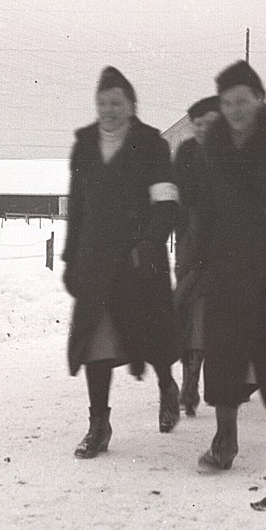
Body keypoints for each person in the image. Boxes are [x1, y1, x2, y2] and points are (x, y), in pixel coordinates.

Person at [189, 61, 266, 469]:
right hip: (226, 260)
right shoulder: (213, 144)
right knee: (222, 349)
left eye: (242, 101)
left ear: (259, 99)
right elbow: (204, 207)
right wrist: (195, 257)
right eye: (227, 103)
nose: (235, 110)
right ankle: (225, 439)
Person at [63, 67, 182, 459]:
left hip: (137, 261)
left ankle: (167, 386)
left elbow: (166, 202)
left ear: (132, 105)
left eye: (117, 102)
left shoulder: (151, 145)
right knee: (96, 344)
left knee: (153, 340)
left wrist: (149, 243)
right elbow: (77, 207)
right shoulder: (84, 145)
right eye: (102, 103)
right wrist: (70, 258)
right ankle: (99, 425)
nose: (109, 110)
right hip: (96, 262)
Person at [174, 95, 221, 417]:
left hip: (228, 249)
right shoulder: (188, 153)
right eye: (198, 125)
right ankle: (190, 380)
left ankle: (209, 381)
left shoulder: (240, 151)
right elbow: (178, 197)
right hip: (191, 245)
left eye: (210, 123)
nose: (203, 130)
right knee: (192, 313)